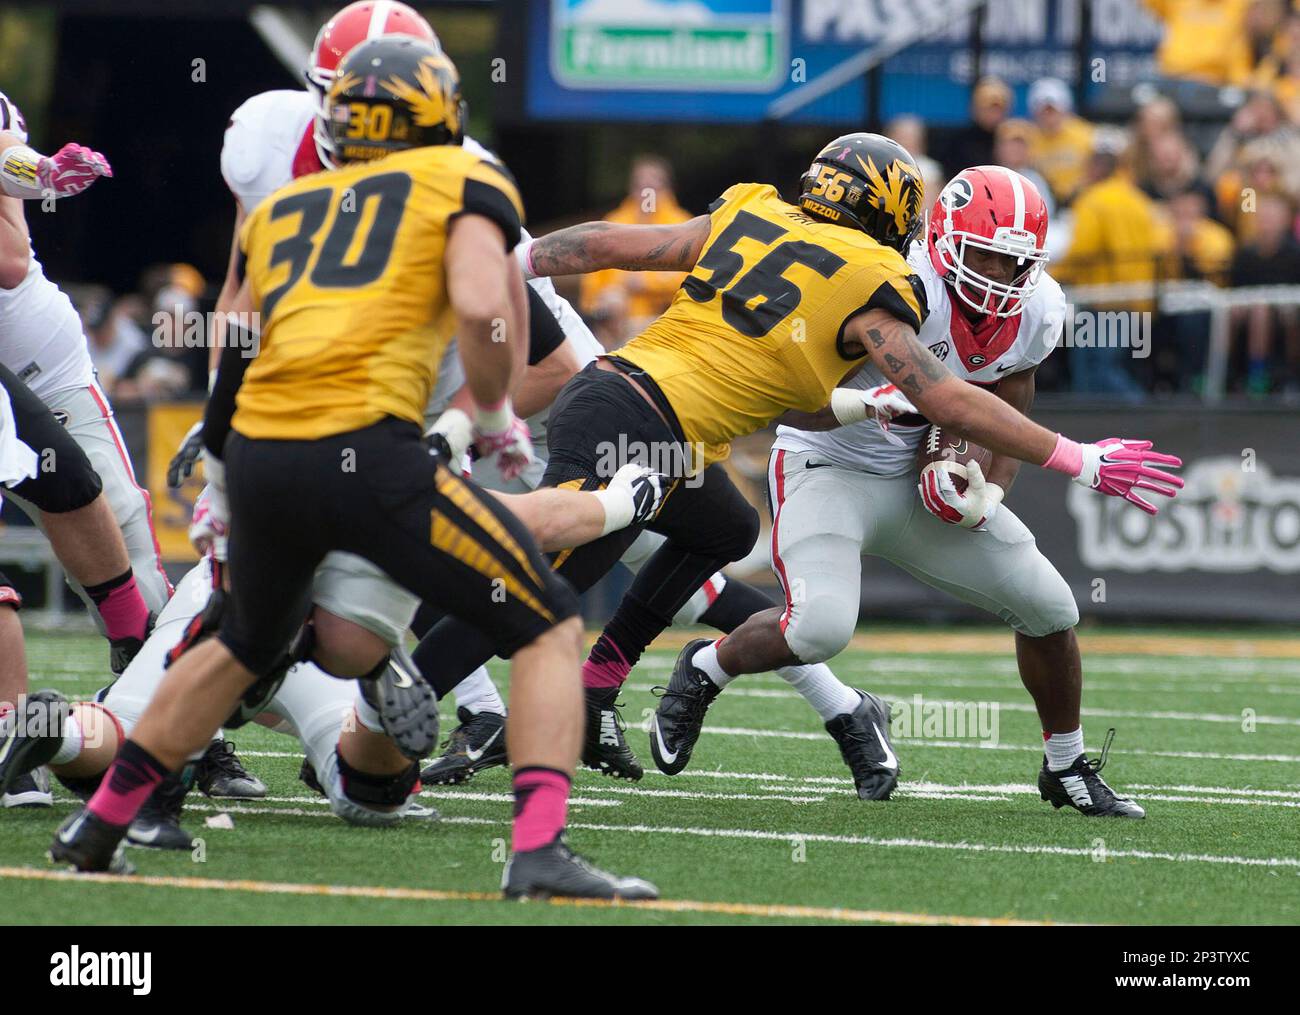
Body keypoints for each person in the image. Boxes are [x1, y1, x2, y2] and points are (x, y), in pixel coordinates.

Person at [49, 37, 659, 902]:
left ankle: (99, 822)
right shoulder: (464, 184)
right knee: (550, 623)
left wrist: (222, 474)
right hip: (368, 453)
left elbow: (236, 349)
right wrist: (487, 415)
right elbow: (488, 309)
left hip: (260, 453)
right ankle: (537, 850)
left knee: (237, 643)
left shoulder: (281, 209)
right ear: (442, 119)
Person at [412, 132, 1185, 781]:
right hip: (656, 421)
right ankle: (412, 682)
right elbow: (943, 399)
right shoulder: (874, 277)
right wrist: (1079, 459)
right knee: (540, 578)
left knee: (719, 527)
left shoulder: (754, 213)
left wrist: (519, 261)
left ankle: (595, 676)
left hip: (635, 405)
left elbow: (622, 245)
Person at [649, 167, 1167, 818]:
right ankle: (708, 666)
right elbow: (792, 403)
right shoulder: (888, 281)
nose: (1002, 277)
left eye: (1017, 263)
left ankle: (1065, 765)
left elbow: (1008, 389)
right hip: (829, 461)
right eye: (988, 256)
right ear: (945, 238)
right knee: (820, 627)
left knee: (1051, 606)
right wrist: (877, 408)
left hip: (912, 477)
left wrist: (985, 487)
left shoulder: (1038, 308)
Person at [1052, 127, 1169, 397]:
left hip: (1103, 303)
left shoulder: (1093, 200)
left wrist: (1048, 273)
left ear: (1095, 169)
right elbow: (1162, 243)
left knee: (1094, 373)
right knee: (1111, 368)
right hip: (1140, 301)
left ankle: (1144, 418)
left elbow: (1082, 250)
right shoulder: (1139, 200)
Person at [578, 155, 694, 346]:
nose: (646, 193)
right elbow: (592, 281)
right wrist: (599, 305)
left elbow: (689, 280)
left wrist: (646, 284)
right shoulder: (614, 222)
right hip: (615, 324)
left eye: (653, 187)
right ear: (631, 188)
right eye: (641, 186)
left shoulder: (684, 224)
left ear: (667, 189)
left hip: (663, 323)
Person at [1229, 191, 1300, 395]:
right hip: (1251, 307)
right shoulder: (1245, 254)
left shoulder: (1294, 254)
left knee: (1265, 311)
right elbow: (1236, 290)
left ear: (1285, 220)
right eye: (1263, 217)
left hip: (1286, 309)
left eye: (1272, 217)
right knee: (1236, 312)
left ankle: (1264, 374)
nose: (1266, 223)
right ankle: (1222, 370)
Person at [1026, 78, 1094, 207]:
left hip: (1080, 200)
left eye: (1053, 111)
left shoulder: (1085, 135)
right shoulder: (1027, 137)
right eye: (1044, 111)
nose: (1049, 116)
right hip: (1042, 201)